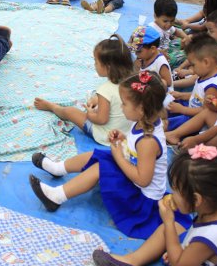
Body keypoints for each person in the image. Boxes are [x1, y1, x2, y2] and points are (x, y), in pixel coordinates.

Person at [30, 71, 191, 240]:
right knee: (99, 154)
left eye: (124, 104)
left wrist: (120, 157)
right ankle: (58, 169)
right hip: (136, 183)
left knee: (102, 167)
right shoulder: (145, 122)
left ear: (141, 109)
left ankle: (56, 197)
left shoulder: (148, 141)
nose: (121, 107)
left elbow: (143, 179)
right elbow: (137, 151)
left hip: (141, 201)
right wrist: (124, 139)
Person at [92, 146, 217, 266]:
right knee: (172, 230)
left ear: (197, 199)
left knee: (169, 228)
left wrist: (168, 224)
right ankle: (131, 261)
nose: (172, 195)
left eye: (176, 191)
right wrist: (180, 249)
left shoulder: (211, 237)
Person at [33, 35, 134, 146]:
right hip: (127, 133)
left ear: (108, 67)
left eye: (96, 62)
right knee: (95, 98)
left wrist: (90, 114)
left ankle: (52, 107)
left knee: (70, 111)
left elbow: (101, 120)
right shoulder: (133, 82)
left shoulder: (105, 89)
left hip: (107, 136)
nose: (94, 65)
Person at [167, 34, 217, 131]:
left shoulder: (212, 87)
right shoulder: (205, 75)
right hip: (191, 109)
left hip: (196, 122)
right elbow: (199, 97)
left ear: (206, 62)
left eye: (193, 65)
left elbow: (206, 111)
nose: (191, 69)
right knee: (168, 106)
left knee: (168, 123)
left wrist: (182, 110)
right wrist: (181, 95)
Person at [173, 9, 217, 86]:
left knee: (192, 81)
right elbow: (194, 55)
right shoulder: (214, 41)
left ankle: (173, 84)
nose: (207, 33)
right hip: (205, 70)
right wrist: (181, 67)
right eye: (207, 30)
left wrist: (188, 72)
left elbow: (206, 72)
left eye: (211, 31)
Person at [148, 0, 189, 68]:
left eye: (172, 21)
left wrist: (186, 37)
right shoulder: (151, 29)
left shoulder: (168, 27)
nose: (169, 24)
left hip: (168, 48)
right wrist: (159, 52)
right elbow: (147, 48)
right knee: (185, 55)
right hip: (158, 56)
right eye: (165, 21)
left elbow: (176, 31)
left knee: (184, 41)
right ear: (155, 16)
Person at [129, 25, 172, 90]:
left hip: (160, 94)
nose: (136, 54)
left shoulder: (160, 63)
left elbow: (168, 83)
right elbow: (135, 70)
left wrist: (149, 81)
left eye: (139, 51)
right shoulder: (143, 57)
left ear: (152, 49)